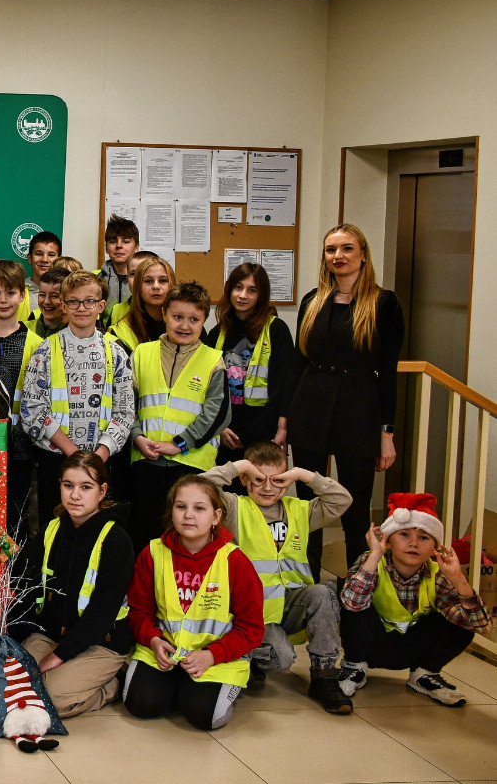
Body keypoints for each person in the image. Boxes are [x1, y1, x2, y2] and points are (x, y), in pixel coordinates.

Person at [286, 223, 405, 576]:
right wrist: (284, 420)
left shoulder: (384, 303)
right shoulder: (313, 300)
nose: (338, 256)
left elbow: (388, 372)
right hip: (310, 407)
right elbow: (298, 363)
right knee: (307, 506)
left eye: (347, 248)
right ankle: (308, 588)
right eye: (331, 249)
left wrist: (387, 433)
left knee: (355, 509)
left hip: (359, 410)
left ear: (363, 254)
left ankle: (357, 589)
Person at [203, 441, 352, 711]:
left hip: (289, 604)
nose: (268, 487)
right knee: (280, 660)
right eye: (259, 479)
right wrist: (238, 467)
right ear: (245, 480)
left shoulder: (300, 510)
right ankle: (244, 656)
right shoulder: (235, 507)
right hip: (251, 613)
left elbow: (343, 500)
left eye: (278, 480)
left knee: (323, 592)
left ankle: (325, 677)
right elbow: (198, 489)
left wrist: (303, 475)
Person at [123, 474, 264, 731]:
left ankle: (199, 690)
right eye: (181, 506)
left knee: (204, 716)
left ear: (216, 517)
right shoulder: (153, 552)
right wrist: (153, 640)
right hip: (164, 651)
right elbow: (138, 612)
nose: (188, 515)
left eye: (199, 508)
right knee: (142, 705)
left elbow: (251, 629)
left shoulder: (235, 561)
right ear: (172, 512)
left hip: (217, 656)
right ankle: (176, 687)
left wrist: (211, 655)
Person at [338, 492, 491, 706]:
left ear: (434, 547)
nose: (414, 543)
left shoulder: (437, 573)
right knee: (355, 605)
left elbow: (481, 625)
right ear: (388, 541)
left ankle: (424, 675)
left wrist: (459, 580)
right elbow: (350, 603)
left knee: (463, 620)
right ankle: (354, 667)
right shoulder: (371, 561)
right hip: (371, 645)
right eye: (404, 535)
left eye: (423, 537)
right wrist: (374, 556)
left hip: (411, 647)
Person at [15, 451, 133, 717]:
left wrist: (57, 658)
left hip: (101, 641)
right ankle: (67, 677)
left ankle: (113, 685)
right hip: (52, 635)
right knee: (13, 685)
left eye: (86, 487)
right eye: (68, 485)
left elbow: (100, 615)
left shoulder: (116, 540)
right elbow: (26, 585)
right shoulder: (50, 530)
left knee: (51, 699)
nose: (75, 495)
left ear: (102, 491)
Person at [21, 272, 135, 528]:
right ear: (63, 305)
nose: (81, 308)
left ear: (101, 306)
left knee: (99, 531)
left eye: (89, 301)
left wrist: (99, 455)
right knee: (55, 529)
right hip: (56, 459)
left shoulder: (116, 353)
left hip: (101, 460)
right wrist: (73, 454)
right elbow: (32, 410)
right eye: (73, 301)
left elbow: (125, 412)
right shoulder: (45, 350)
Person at [128, 281, 229, 548]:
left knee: (188, 537)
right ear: (164, 314)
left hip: (192, 465)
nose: (185, 325)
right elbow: (126, 405)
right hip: (146, 460)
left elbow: (218, 413)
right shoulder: (141, 354)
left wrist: (180, 444)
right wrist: (137, 437)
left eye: (194, 319)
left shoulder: (213, 360)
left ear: (204, 320)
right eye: (177, 317)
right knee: (146, 535)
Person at [204, 262, 295, 462]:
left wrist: (251, 435)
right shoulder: (217, 333)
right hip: (224, 434)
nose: (243, 295)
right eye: (238, 287)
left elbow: (282, 388)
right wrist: (220, 428)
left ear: (261, 295)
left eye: (252, 290)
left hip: (263, 435)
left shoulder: (276, 330)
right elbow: (207, 389)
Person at [0, 260, 39, 532]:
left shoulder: (36, 343)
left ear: (23, 295)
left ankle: (16, 562)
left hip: (20, 445)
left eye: (10, 293)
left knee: (15, 517)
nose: (3, 300)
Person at [108, 255, 174, 352]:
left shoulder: (187, 324)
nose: (156, 286)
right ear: (138, 287)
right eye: (148, 281)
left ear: (172, 284)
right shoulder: (121, 331)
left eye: (163, 280)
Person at [96, 216, 139, 316]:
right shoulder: (95, 279)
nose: (119, 245)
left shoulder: (145, 280)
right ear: (106, 248)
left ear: (136, 247)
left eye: (126, 241)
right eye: (113, 241)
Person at [24, 231, 62, 322]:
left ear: (59, 260)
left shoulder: (68, 294)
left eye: (51, 255)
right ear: (29, 258)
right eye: (39, 254)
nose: (45, 259)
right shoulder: (15, 293)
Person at [30, 268, 69, 340]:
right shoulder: (24, 329)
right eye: (42, 295)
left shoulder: (75, 334)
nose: (46, 301)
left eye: (54, 296)